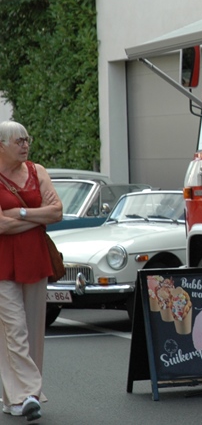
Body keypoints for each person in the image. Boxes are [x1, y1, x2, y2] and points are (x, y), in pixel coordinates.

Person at [0, 121, 63, 421]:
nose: (25, 145)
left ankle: (15, 397)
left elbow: (57, 211)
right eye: (19, 141)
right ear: (1, 146)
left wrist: (21, 213)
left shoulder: (38, 172)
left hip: (35, 260)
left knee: (33, 330)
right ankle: (28, 394)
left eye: (27, 139)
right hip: (2, 264)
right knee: (14, 329)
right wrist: (39, 218)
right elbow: (1, 225)